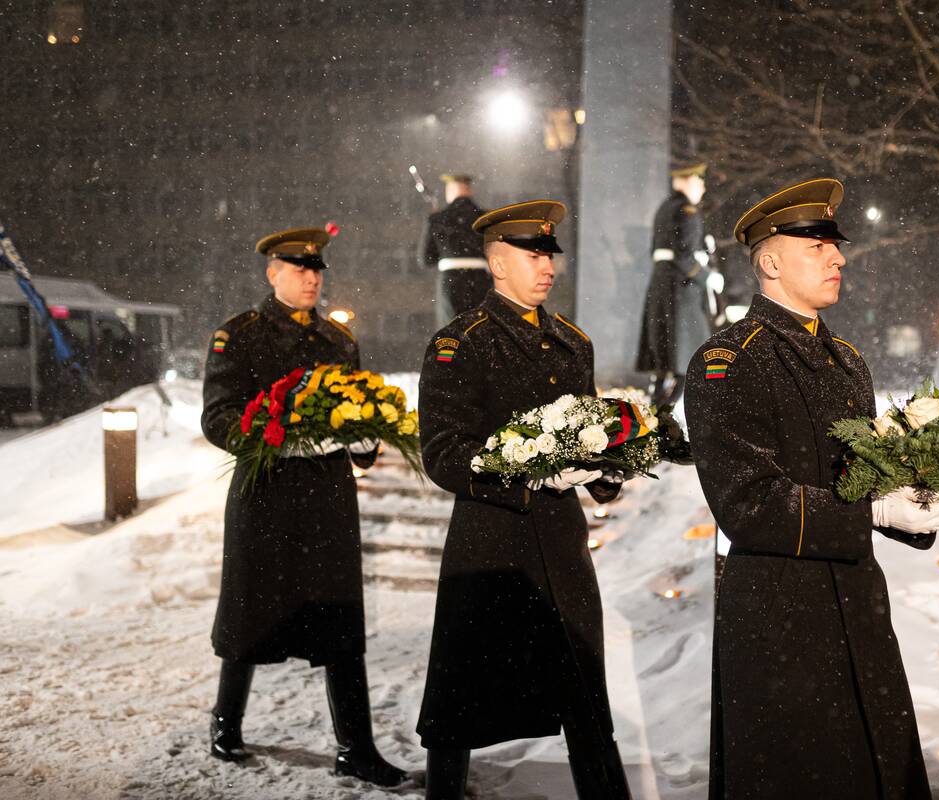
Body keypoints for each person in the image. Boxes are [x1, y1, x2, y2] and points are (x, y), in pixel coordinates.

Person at [684, 179, 939, 799]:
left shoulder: (847, 359)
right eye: (816, 246)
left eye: (834, 246)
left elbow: (858, 476)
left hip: (855, 601)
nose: (837, 258)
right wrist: (872, 508)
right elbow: (748, 504)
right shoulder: (730, 360)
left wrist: (918, 495)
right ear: (769, 261)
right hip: (779, 615)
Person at [416, 200, 633, 800]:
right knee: (460, 701)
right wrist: (524, 474)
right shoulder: (459, 344)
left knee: (585, 695)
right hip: (490, 546)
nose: (547, 266)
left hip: (561, 545)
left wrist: (605, 474)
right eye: (533, 255)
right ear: (495, 263)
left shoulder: (571, 343)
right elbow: (442, 453)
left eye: (550, 254)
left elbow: (588, 431)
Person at [200, 227, 406, 787]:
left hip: (326, 502)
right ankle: (226, 721)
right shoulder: (238, 336)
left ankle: (356, 747)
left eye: (316, 270)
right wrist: (276, 436)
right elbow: (217, 417)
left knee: (339, 619)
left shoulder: (338, 342)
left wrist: (365, 440)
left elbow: (359, 413)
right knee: (248, 610)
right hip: (264, 498)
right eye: (298, 269)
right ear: (273, 274)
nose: (312, 278)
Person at [636, 162, 724, 406]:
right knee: (687, 359)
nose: (703, 187)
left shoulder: (666, 207)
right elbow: (684, 255)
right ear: (685, 181)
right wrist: (708, 276)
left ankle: (659, 409)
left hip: (664, 286)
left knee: (668, 360)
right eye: (699, 181)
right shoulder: (687, 211)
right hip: (682, 291)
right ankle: (666, 415)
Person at [419, 173, 490, 327]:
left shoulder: (438, 218)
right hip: (481, 281)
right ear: (469, 190)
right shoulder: (485, 217)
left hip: (451, 283)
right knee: (480, 331)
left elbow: (426, 259)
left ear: (450, 190)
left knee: (450, 334)